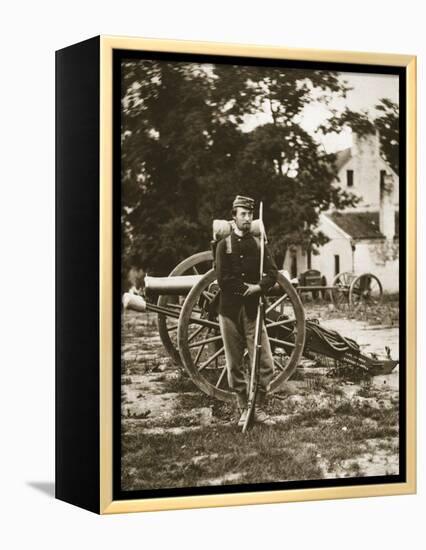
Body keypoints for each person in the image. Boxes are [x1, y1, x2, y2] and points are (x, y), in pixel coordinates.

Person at [215, 195, 278, 427]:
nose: (247, 218)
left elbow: (273, 273)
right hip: (230, 311)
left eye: (250, 214)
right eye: (243, 214)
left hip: (253, 310)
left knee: (265, 362)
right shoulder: (224, 246)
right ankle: (243, 408)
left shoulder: (259, 245)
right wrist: (248, 289)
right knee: (234, 363)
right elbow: (223, 279)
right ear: (234, 216)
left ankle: (258, 408)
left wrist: (259, 287)